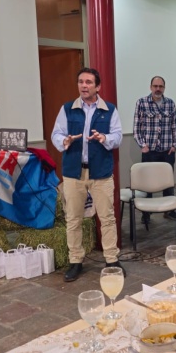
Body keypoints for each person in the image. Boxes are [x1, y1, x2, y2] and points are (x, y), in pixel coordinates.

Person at [51, 68, 124, 282]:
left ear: (98, 87)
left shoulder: (109, 109)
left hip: (100, 172)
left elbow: (118, 136)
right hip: (74, 172)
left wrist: (104, 138)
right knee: (73, 219)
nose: (84, 86)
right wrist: (63, 141)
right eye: (81, 82)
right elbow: (56, 133)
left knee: (107, 218)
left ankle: (111, 259)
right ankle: (76, 261)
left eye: (89, 82)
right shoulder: (68, 109)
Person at [133, 76, 176, 224]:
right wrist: (143, 146)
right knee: (147, 183)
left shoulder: (170, 104)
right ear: (150, 87)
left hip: (167, 151)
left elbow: (175, 126)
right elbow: (136, 128)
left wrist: (175, 145)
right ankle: (146, 214)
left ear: (164, 88)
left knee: (168, 183)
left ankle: (169, 211)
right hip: (150, 151)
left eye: (161, 86)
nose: (158, 89)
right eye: (155, 86)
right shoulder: (141, 103)